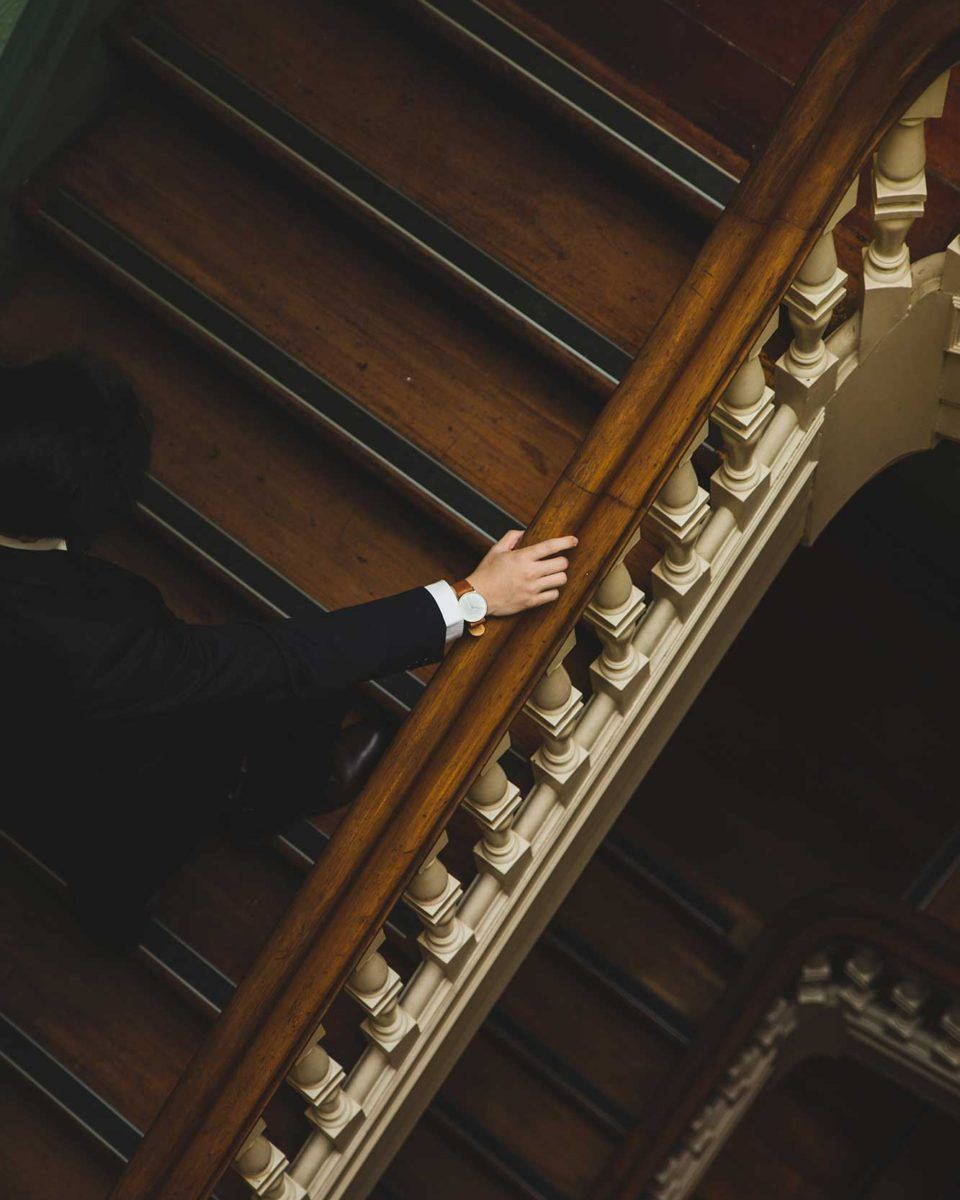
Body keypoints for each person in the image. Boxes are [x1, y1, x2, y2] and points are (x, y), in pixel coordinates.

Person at [0, 352, 577, 947]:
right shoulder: (97, 643)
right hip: (101, 783)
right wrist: (471, 597)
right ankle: (235, 827)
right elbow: (285, 659)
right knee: (128, 847)